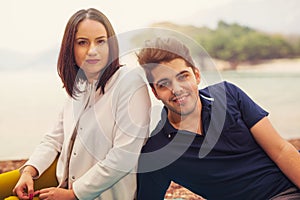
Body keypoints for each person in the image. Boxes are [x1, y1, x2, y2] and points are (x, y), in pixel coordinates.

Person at [1, 8, 150, 200]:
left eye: (101, 41)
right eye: (82, 43)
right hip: (63, 177)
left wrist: (73, 194)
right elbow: (54, 139)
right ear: (70, 47)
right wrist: (29, 171)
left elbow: (124, 156)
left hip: (97, 194)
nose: (92, 51)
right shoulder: (80, 84)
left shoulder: (130, 82)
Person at [136, 37, 300, 200]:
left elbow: (281, 151)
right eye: (164, 84)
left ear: (197, 75)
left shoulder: (228, 94)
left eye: (183, 76)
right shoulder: (157, 152)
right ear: (155, 92)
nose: (177, 89)